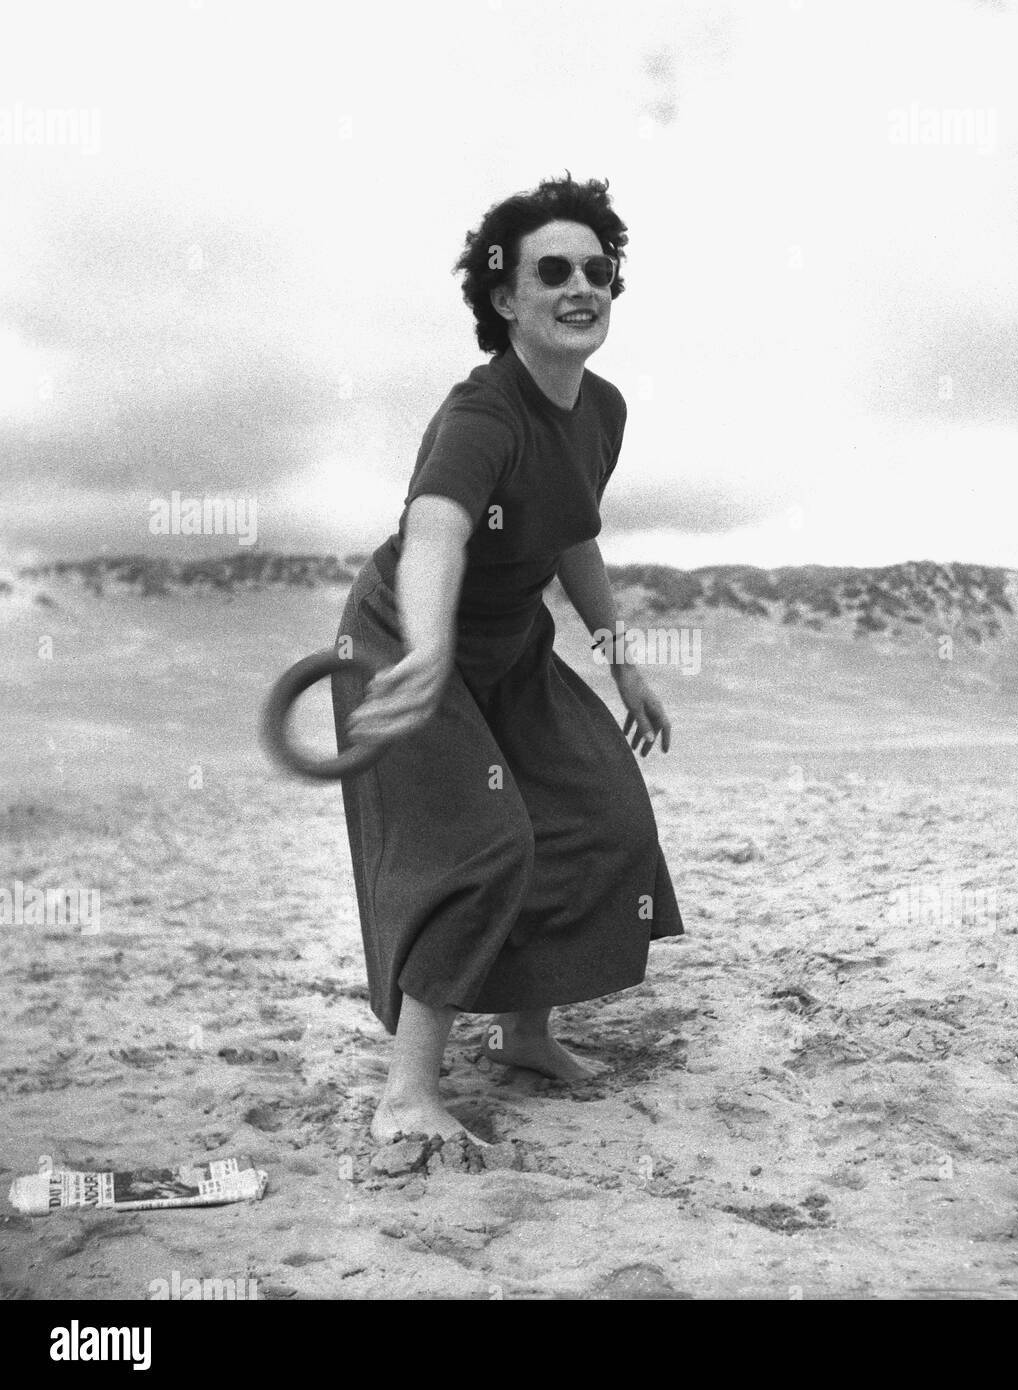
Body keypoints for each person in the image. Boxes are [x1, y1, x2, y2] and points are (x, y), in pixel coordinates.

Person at [331, 172, 685, 1146]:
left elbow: (572, 539)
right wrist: (432, 644)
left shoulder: (601, 409)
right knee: (482, 844)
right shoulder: (483, 413)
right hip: (409, 637)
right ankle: (407, 1092)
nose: (583, 287)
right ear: (504, 299)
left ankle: (527, 1032)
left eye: (599, 270)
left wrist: (622, 662)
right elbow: (436, 528)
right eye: (554, 271)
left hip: (509, 645)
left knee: (601, 812)